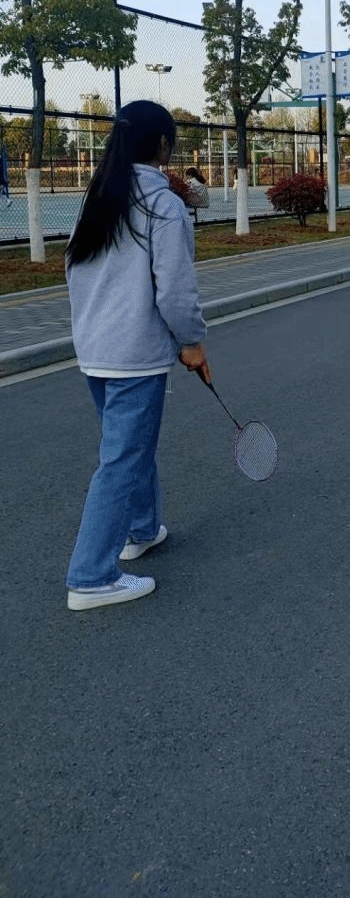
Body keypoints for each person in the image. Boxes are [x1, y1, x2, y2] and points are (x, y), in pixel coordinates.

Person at [64, 100, 211, 612]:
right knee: (121, 461)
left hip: (95, 351)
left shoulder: (99, 196)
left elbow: (74, 271)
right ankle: (91, 577)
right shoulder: (163, 206)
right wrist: (191, 342)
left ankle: (143, 529)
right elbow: (176, 293)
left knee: (130, 448)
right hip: (134, 356)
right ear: (163, 145)